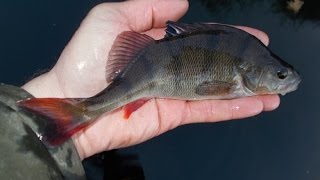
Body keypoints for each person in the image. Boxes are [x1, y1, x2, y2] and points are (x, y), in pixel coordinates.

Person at [22, 0, 280, 160]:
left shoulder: (247, 54)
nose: (284, 80)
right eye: (280, 75)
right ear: (255, 71)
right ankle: (80, 111)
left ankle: (59, 119)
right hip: (145, 68)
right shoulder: (239, 72)